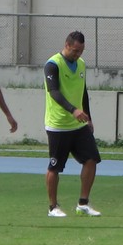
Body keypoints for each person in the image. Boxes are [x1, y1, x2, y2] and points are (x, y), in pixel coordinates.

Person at [44, 31, 101, 217]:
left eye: (81, 51)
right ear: (67, 45)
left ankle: (83, 203)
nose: (78, 54)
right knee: (55, 166)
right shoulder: (53, 65)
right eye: (76, 50)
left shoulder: (81, 64)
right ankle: (53, 207)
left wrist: (89, 117)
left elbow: (83, 92)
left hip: (79, 125)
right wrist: (73, 110)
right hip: (59, 125)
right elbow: (54, 92)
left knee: (92, 159)